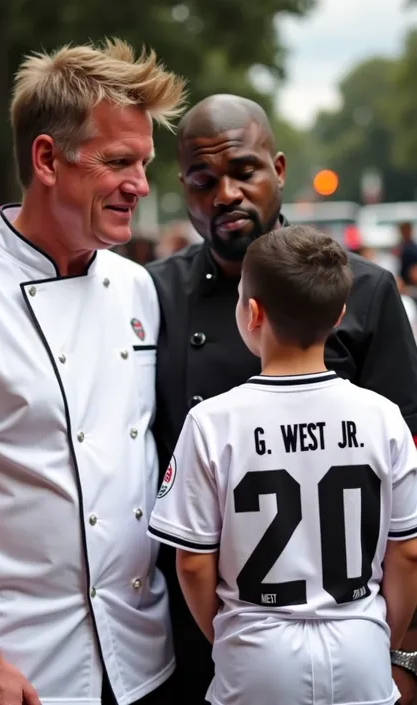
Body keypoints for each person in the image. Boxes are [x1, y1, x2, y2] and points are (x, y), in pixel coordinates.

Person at [145, 94, 417, 705]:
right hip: (188, 640)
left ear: (279, 169)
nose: (226, 194)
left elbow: (410, 504)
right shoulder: (150, 294)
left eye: (244, 171)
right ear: (183, 186)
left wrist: (405, 652)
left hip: (349, 631)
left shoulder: (365, 288)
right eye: (202, 179)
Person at [0, 41, 185, 705]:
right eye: (118, 162)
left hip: (142, 658)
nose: (139, 183)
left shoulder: (138, 287)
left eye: (143, 163)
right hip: (16, 669)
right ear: (47, 158)